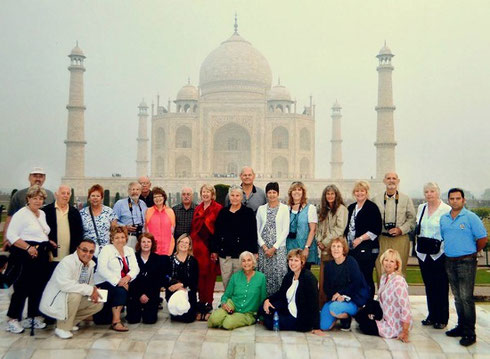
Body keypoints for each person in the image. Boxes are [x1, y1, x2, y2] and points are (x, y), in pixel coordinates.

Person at [440, 188, 487, 346]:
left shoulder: (471, 217)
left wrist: (471, 252)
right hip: (449, 261)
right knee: (458, 297)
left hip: (466, 261)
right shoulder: (444, 218)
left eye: (457, 198)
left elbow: (482, 239)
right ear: (448, 201)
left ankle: (470, 333)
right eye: (451, 198)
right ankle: (460, 327)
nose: (454, 201)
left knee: (466, 298)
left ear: (463, 200)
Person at [5, 185, 53, 333]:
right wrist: (27, 248)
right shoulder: (21, 214)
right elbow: (12, 235)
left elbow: (40, 232)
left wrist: (48, 241)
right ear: (28, 199)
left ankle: (32, 316)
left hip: (40, 254)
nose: (38, 201)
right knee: (22, 287)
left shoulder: (42, 214)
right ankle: (13, 319)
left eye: (40, 198)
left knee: (37, 286)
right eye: (34, 198)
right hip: (24, 254)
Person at [39, 239, 103, 339]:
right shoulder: (67, 262)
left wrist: (94, 290)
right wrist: (90, 290)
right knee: (75, 295)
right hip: (57, 298)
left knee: (98, 302)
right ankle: (62, 328)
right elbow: (66, 285)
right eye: (84, 250)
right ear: (77, 249)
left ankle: (70, 322)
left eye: (91, 252)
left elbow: (88, 284)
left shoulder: (90, 264)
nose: (87, 254)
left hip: (71, 298)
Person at [355, 249, 412, 343]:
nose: (388, 263)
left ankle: (381, 325)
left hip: (394, 321)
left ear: (396, 265)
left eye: (392, 261)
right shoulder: (384, 277)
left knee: (364, 327)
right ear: (382, 261)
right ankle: (375, 319)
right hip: (384, 311)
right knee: (360, 314)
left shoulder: (399, 281)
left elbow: (405, 307)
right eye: (386, 260)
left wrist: (405, 331)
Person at [415, 182, 451, 329]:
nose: (429, 194)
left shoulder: (446, 209)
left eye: (432, 191)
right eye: (426, 192)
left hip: (439, 253)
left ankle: (442, 318)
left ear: (438, 192)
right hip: (423, 253)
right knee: (429, 285)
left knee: (441, 286)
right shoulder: (421, 208)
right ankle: (432, 315)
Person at [211, 185, 258, 289]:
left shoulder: (248, 213)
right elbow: (217, 233)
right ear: (229, 197)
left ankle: (239, 304)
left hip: (241, 255)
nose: (235, 198)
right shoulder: (223, 212)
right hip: (225, 254)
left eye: (237, 195)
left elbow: (253, 233)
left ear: (241, 197)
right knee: (227, 282)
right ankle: (228, 304)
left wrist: (254, 252)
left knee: (241, 283)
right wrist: (214, 250)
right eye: (232, 195)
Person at [261, 249, 320, 332]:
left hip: (299, 317)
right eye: (291, 260)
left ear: (302, 262)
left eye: (296, 260)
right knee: (263, 306)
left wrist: (316, 327)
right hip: (288, 308)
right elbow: (280, 293)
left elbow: (314, 303)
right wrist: (267, 300)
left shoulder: (308, 278)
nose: (293, 263)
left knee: (271, 323)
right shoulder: (290, 275)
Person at [93, 226, 140, 331]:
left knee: (126, 290)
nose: (120, 240)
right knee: (101, 320)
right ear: (112, 239)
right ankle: (116, 322)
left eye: (123, 237)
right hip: (105, 283)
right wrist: (118, 281)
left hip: (123, 282)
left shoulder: (129, 250)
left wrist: (127, 277)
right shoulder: (106, 250)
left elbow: (135, 268)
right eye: (117, 237)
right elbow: (102, 269)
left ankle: (121, 316)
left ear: (126, 238)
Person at [320, 237, 369, 331]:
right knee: (324, 326)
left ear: (344, 249)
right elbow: (326, 287)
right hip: (335, 300)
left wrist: (343, 294)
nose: (336, 249)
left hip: (352, 299)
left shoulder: (351, 262)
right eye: (333, 246)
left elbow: (357, 283)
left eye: (339, 246)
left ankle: (347, 317)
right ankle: (337, 315)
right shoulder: (328, 266)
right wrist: (336, 296)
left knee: (333, 308)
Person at [208, 251, 266, 330]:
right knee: (213, 320)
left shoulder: (261, 277)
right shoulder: (235, 277)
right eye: (243, 261)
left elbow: (263, 298)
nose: (246, 263)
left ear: (253, 262)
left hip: (248, 313)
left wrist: (262, 317)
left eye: (249, 260)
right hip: (232, 306)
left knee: (227, 324)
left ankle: (227, 318)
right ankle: (223, 317)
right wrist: (224, 303)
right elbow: (226, 295)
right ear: (241, 264)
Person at [373, 172, 416, 277]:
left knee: (399, 271)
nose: (391, 180)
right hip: (382, 239)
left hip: (400, 239)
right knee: (381, 271)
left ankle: (398, 293)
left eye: (394, 178)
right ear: (384, 181)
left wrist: (401, 229)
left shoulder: (406, 199)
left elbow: (412, 219)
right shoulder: (376, 199)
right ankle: (382, 293)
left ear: (398, 181)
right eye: (388, 178)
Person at [190, 184, 223, 319]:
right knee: (199, 276)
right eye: (203, 192)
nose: (205, 194)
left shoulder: (217, 208)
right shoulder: (198, 208)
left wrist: (215, 250)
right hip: (198, 247)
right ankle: (201, 301)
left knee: (209, 277)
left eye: (208, 192)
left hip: (210, 247)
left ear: (212, 194)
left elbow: (218, 230)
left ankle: (208, 302)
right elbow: (194, 227)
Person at [344, 180, 382, 298]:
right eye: (357, 191)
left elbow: (376, 229)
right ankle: (357, 301)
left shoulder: (372, 207)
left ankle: (368, 303)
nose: (359, 193)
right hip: (352, 248)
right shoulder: (351, 208)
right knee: (354, 276)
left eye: (362, 191)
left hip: (367, 248)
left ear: (366, 192)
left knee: (366, 276)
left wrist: (360, 239)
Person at [3, 167, 55, 249]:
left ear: (44, 179)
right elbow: (10, 217)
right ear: (29, 177)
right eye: (35, 176)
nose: (38, 179)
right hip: (24, 245)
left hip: (42, 246)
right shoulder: (18, 195)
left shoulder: (50, 196)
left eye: (41, 176)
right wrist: (6, 239)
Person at [316, 184, 348, 306]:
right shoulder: (323, 210)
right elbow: (318, 228)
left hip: (336, 249)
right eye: (327, 194)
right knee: (324, 279)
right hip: (324, 250)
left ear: (336, 195)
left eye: (332, 194)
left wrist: (324, 242)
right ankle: (323, 305)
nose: (330, 196)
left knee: (337, 278)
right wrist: (319, 240)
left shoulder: (341, 209)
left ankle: (338, 305)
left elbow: (339, 229)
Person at [257, 182, 289, 296]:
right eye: (269, 192)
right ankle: (264, 306)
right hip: (263, 249)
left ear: (278, 193)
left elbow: (285, 230)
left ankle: (279, 306)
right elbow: (257, 229)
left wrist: (274, 248)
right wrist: (265, 247)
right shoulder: (261, 209)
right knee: (263, 277)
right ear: (266, 194)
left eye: (274, 192)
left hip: (278, 248)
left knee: (279, 276)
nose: (272, 195)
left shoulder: (285, 208)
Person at [126, 233, 167, 324]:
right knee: (133, 320)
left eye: (149, 242)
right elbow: (131, 280)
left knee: (149, 320)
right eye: (143, 241)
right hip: (136, 294)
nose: (146, 244)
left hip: (151, 295)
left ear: (152, 244)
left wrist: (147, 295)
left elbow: (158, 281)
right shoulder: (133, 257)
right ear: (139, 244)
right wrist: (140, 295)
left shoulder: (158, 259)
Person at [43, 184, 84, 262]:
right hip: (51, 257)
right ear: (56, 194)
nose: (66, 196)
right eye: (63, 193)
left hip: (70, 257)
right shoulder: (46, 211)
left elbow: (79, 233)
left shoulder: (74, 212)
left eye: (68, 193)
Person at [165, 234, 199, 323]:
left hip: (189, 291)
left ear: (189, 246)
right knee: (177, 314)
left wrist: (181, 285)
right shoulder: (170, 260)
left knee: (188, 318)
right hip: (173, 291)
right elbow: (166, 277)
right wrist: (176, 287)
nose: (184, 244)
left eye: (186, 243)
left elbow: (194, 280)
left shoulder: (193, 261)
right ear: (177, 243)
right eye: (182, 242)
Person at [285, 181, 318, 269]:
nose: (296, 192)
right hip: (290, 247)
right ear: (290, 193)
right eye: (294, 190)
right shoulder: (286, 208)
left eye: (299, 190)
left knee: (304, 276)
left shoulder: (310, 208)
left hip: (304, 246)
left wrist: (307, 248)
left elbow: (312, 230)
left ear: (303, 192)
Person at [80, 184, 118, 256]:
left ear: (102, 198)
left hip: (106, 251)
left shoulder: (109, 212)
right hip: (88, 252)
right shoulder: (82, 213)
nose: (95, 198)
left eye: (98, 196)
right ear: (89, 198)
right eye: (93, 196)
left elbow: (115, 231)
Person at [113, 182, 148, 249]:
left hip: (141, 237)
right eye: (132, 189)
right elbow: (113, 222)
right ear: (128, 191)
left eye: (137, 189)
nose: (135, 192)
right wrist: (125, 227)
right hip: (127, 237)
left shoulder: (143, 204)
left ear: (140, 191)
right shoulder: (120, 204)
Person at [145, 187, 176, 255]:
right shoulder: (148, 211)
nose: (157, 198)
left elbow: (172, 230)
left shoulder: (170, 211)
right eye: (155, 197)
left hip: (168, 249)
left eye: (159, 196)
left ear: (164, 197)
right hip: (152, 249)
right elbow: (145, 230)